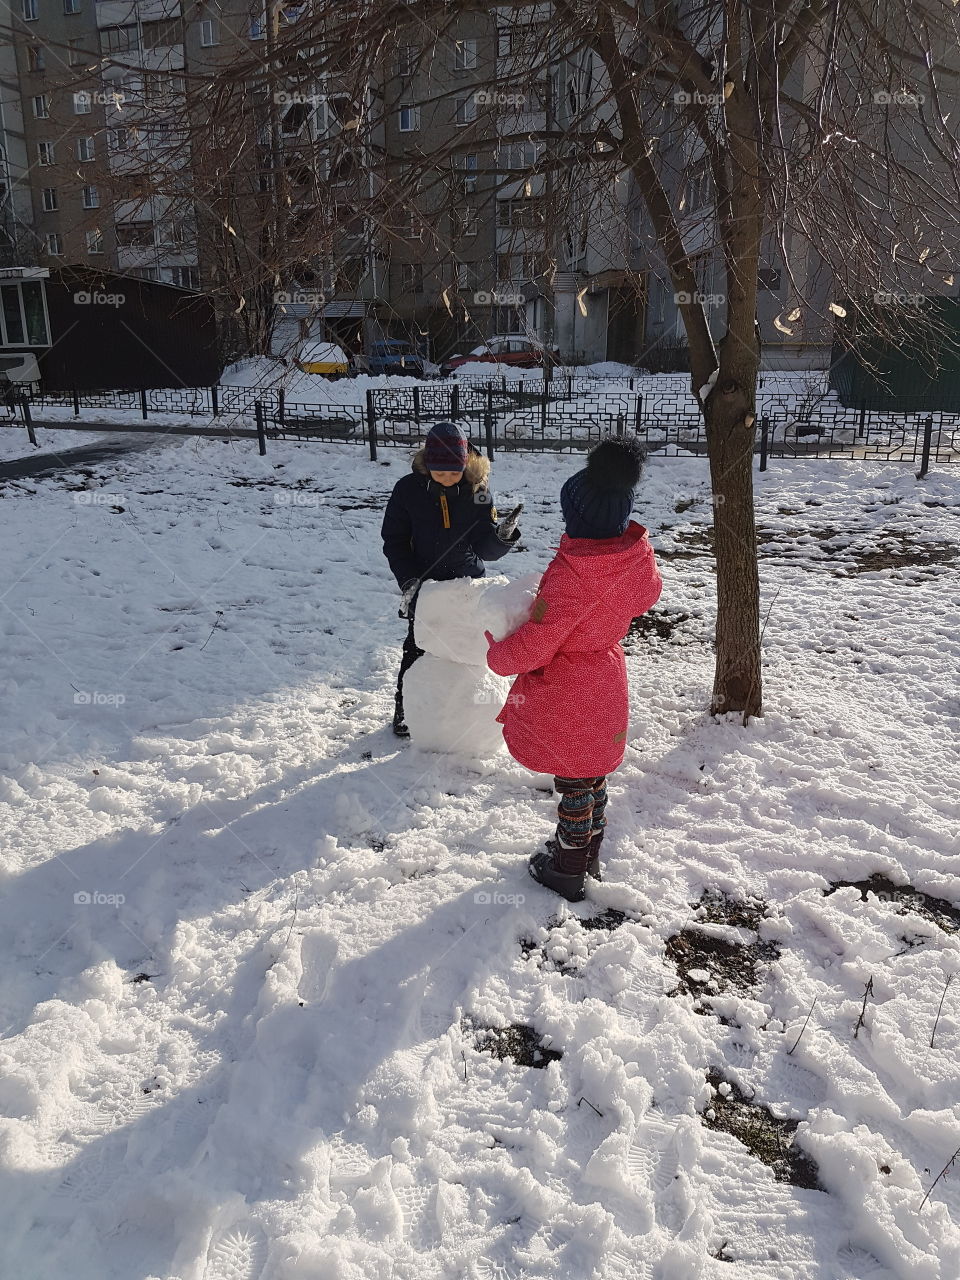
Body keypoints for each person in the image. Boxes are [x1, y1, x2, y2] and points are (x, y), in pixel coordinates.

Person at [484, 436, 662, 902]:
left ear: (578, 522)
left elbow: (540, 642)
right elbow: (646, 595)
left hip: (569, 689)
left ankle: (568, 867)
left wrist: (499, 655)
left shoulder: (573, 576)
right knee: (592, 773)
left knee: (573, 783)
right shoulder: (635, 561)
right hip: (606, 676)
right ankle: (589, 853)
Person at [381, 420, 523, 737]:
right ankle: (406, 711)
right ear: (427, 465)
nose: (447, 478)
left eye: (454, 472)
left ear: (465, 465)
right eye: (440, 472)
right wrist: (408, 580)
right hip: (425, 586)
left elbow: (484, 547)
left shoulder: (478, 492)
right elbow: (394, 540)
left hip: (466, 586)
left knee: (470, 651)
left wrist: (501, 537)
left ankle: (473, 717)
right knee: (417, 649)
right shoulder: (407, 490)